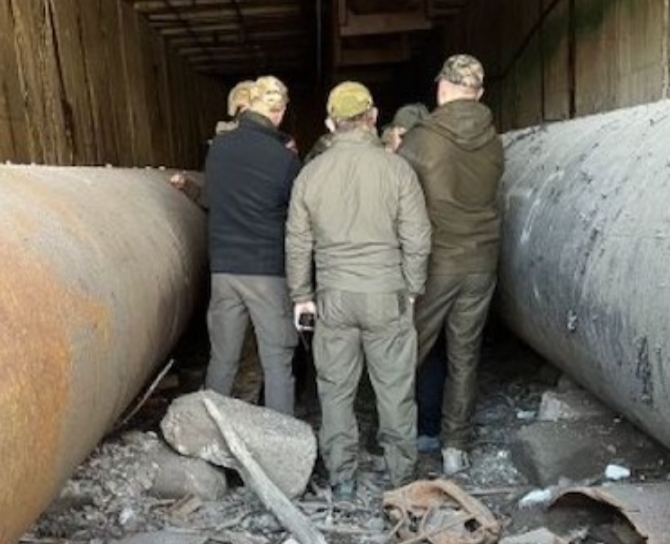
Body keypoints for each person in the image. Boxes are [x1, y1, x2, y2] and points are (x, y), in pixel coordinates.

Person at [286, 81, 432, 498]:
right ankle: (402, 478)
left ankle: (343, 478)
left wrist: (301, 295)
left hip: (334, 296)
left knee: (335, 390)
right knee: (395, 389)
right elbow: (418, 237)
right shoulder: (397, 169)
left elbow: (297, 242)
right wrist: (412, 287)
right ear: (373, 116)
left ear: (330, 122)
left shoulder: (310, 175)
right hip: (386, 292)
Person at [398, 54, 504, 475]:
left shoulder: (421, 140)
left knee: (407, 350)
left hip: (436, 262)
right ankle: (455, 447)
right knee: (465, 355)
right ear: (480, 93)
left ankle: (398, 439)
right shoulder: (494, 141)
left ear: (442, 89)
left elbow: (396, 197)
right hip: (482, 260)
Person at [204, 75, 301, 415]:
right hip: (266, 271)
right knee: (277, 363)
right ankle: (280, 440)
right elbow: (297, 216)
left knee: (222, 360)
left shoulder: (218, 149)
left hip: (224, 269)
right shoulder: (284, 159)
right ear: (279, 111)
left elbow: (210, 199)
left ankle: (208, 431)